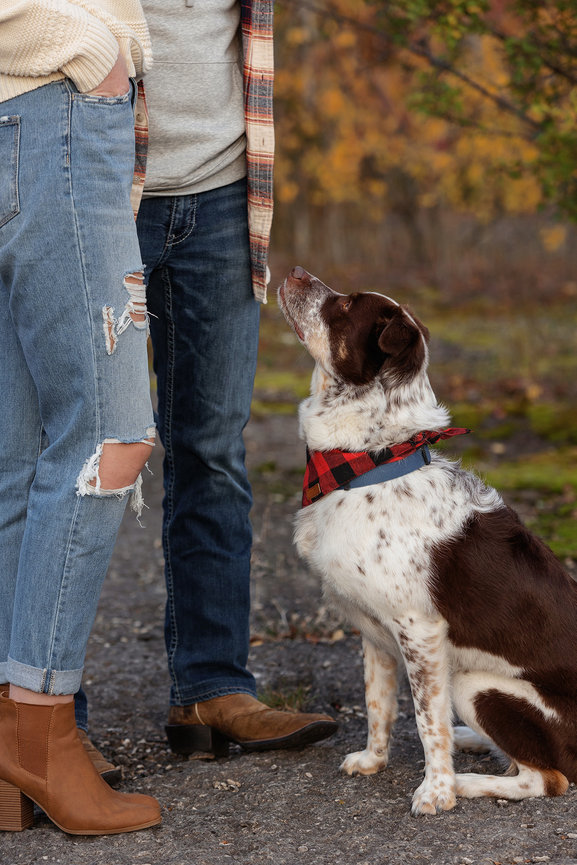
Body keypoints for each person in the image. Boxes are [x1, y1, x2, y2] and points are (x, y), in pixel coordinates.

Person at [136, 0, 338, 755]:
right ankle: (50, 717)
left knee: (213, 449)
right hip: (96, 191)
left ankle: (212, 688)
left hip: (224, 194)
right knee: (81, 457)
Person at [0, 0, 160, 835]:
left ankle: (4, 742)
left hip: (28, 113)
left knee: (21, 453)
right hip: (55, 108)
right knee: (111, 439)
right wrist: (89, 49)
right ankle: (40, 729)